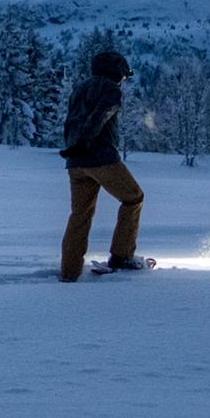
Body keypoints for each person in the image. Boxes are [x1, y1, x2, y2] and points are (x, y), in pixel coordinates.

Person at [57, 50, 145, 281]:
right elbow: (100, 116)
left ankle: (69, 271)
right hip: (100, 157)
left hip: (75, 162)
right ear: (117, 71)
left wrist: (73, 148)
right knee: (133, 198)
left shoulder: (79, 88)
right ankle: (122, 256)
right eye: (124, 75)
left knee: (80, 214)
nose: (123, 80)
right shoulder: (111, 90)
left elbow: (71, 122)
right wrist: (85, 143)